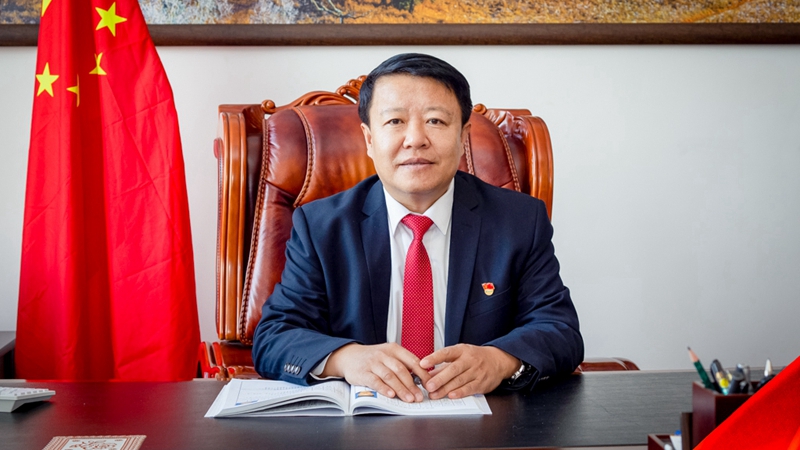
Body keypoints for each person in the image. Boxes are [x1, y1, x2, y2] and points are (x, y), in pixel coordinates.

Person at [252, 53, 583, 403]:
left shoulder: (518, 220)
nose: (415, 139)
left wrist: (499, 361)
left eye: (435, 121)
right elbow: (274, 337)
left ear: (463, 136)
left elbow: (560, 330)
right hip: (363, 422)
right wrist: (346, 358)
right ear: (369, 139)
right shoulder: (322, 227)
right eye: (395, 121)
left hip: (481, 420)